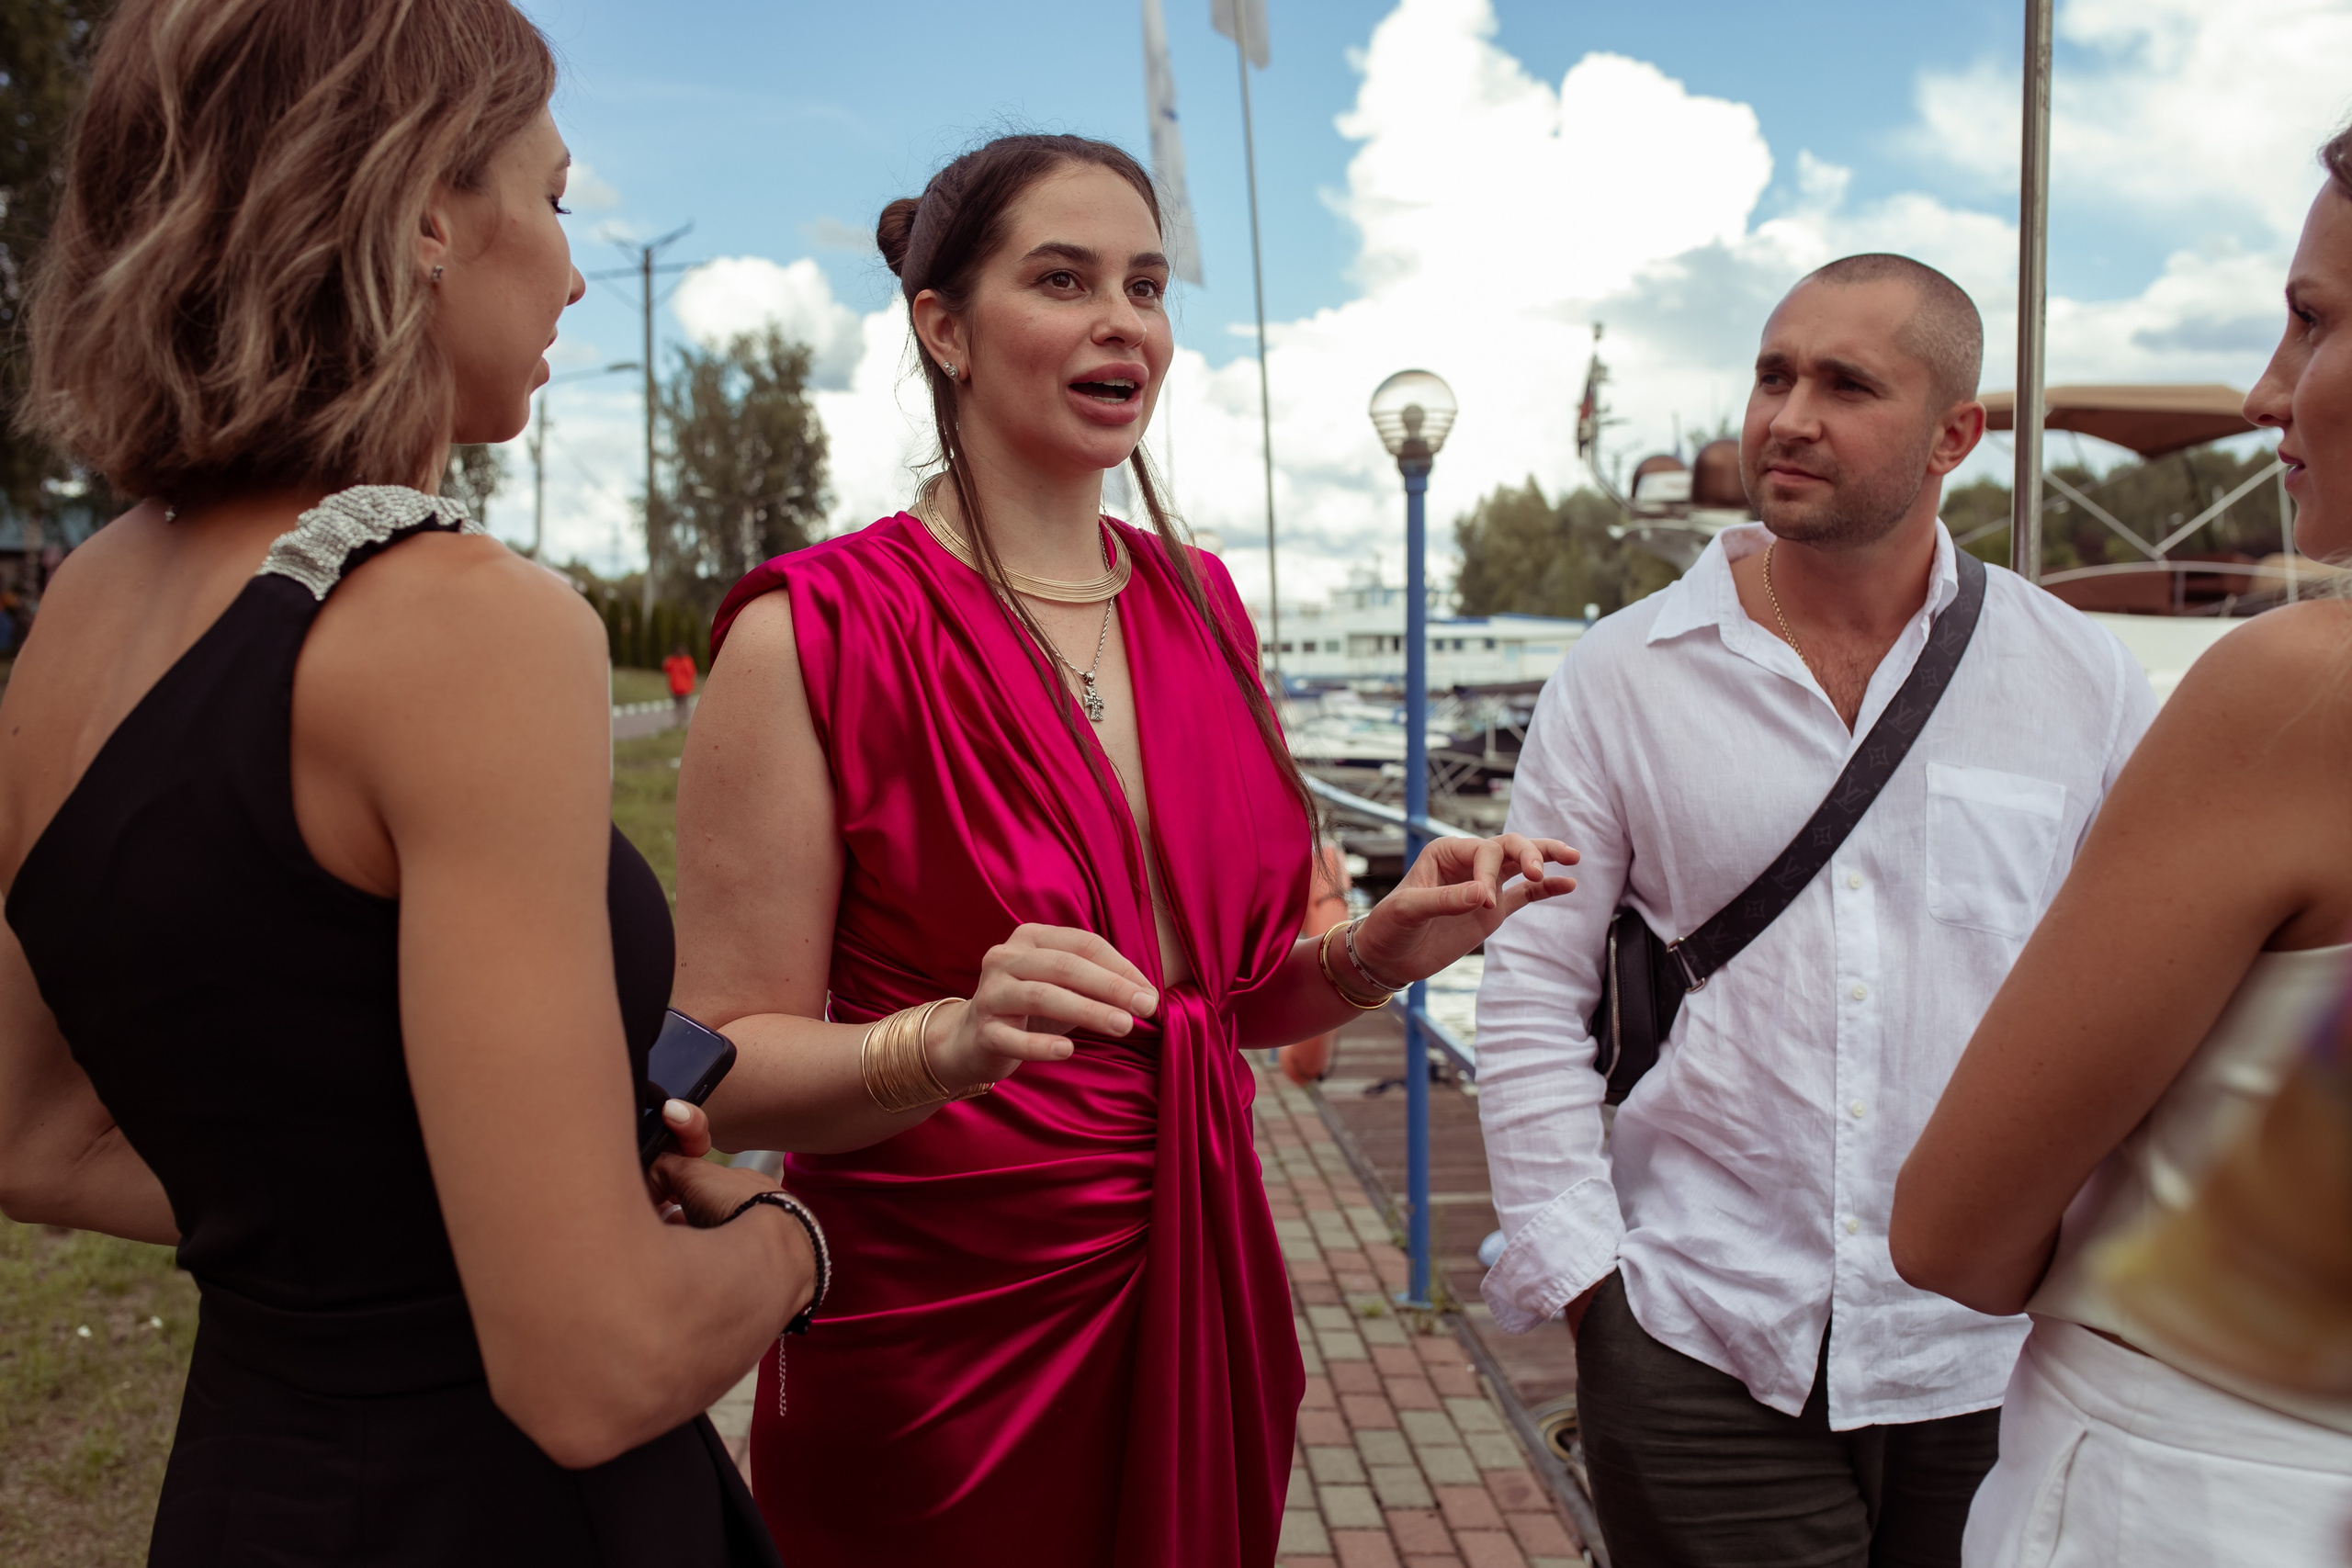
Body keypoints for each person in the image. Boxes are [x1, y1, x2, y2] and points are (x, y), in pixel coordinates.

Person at [672, 131, 1577, 1568]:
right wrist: (949, 1042)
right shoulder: (812, 631)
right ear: (944, 328)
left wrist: (1381, 946)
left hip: (1202, 1284)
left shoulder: (1203, 603)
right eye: (1063, 279)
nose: (1124, 322)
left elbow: (1222, 1006)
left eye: (1146, 286)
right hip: (936, 1347)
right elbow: (719, 1069)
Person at [0, 3, 815, 1562]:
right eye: (555, 197)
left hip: (245, 1490)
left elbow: (33, 1139)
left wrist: (458, 1214)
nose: (574, 272)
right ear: (427, 211)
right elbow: (590, 1366)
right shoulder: (464, 623)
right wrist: (786, 1241)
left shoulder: (82, 610)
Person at [1473, 254, 2157, 1568]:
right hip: (1698, 1328)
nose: (1788, 417)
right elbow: (1530, 985)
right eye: (1772, 375)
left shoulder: (2078, 675)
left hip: (1992, 1346)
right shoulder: (1623, 674)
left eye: (1846, 385)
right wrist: (1587, 1279)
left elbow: (2143, 993)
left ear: (1955, 434)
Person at [1892, 129, 2352, 1568]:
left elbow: (1952, 1227)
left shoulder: (2299, 689)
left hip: (2200, 1477)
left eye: (2315, 319)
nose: (2267, 388)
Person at [664, 641, 699, 729]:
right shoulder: (672, 661)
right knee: (678, 706)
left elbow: (693, 674)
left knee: (684, 706)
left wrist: (694, 685)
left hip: (684, 688)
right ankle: (679, 722)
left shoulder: (687, 660)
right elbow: (666, 668)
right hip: (676, 688)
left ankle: (684, 722)